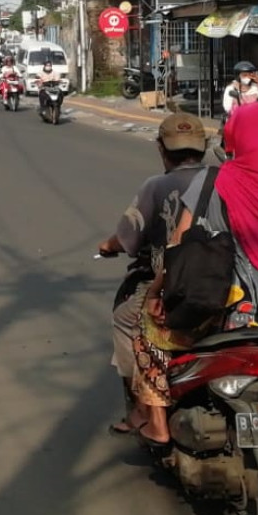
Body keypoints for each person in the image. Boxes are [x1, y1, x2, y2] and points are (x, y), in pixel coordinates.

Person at [128, 103, 258, 448]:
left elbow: (179, 244)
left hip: (226, 314)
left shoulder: (219, 180)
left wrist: (156, 292)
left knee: (148, 328)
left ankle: (157, 422)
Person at [97, 113, 211, 435]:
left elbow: (129, 236)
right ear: (204, 147)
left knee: (126, 317)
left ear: (162, 149)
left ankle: (146, 408)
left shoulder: (157, 185)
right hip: (227, 283)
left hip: (167, 284)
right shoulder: (224, 180)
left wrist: (109, 245)